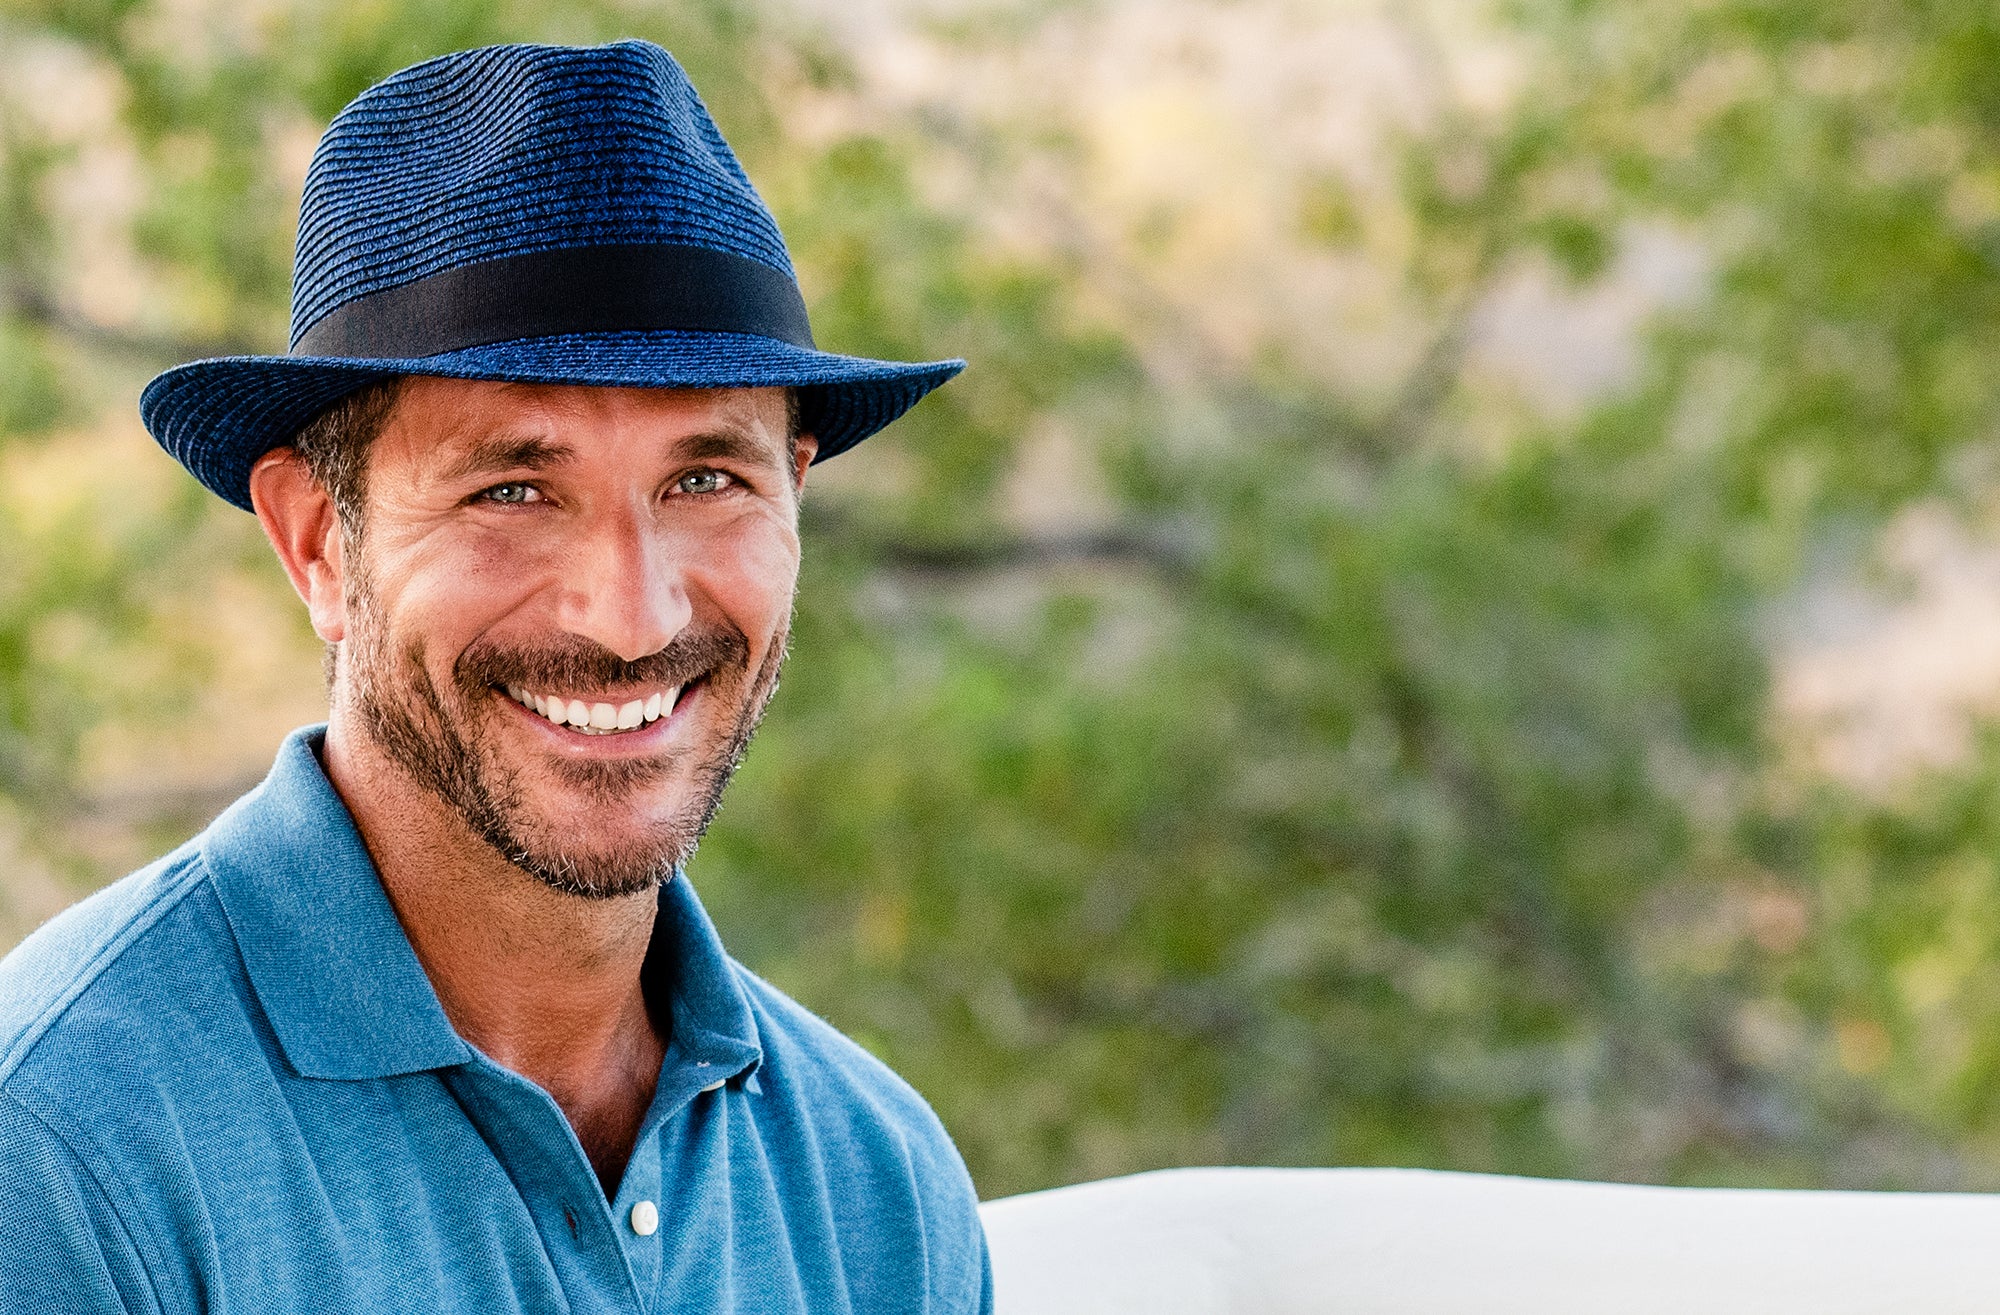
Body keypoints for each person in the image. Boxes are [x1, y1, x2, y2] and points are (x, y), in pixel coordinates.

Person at [0, 40, 989, 1314]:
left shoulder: (875, 1185)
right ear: (316, 540)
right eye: (512, 489)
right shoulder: (62, 1151)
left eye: (705, 480)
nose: (631, 616)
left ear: (793, 497)